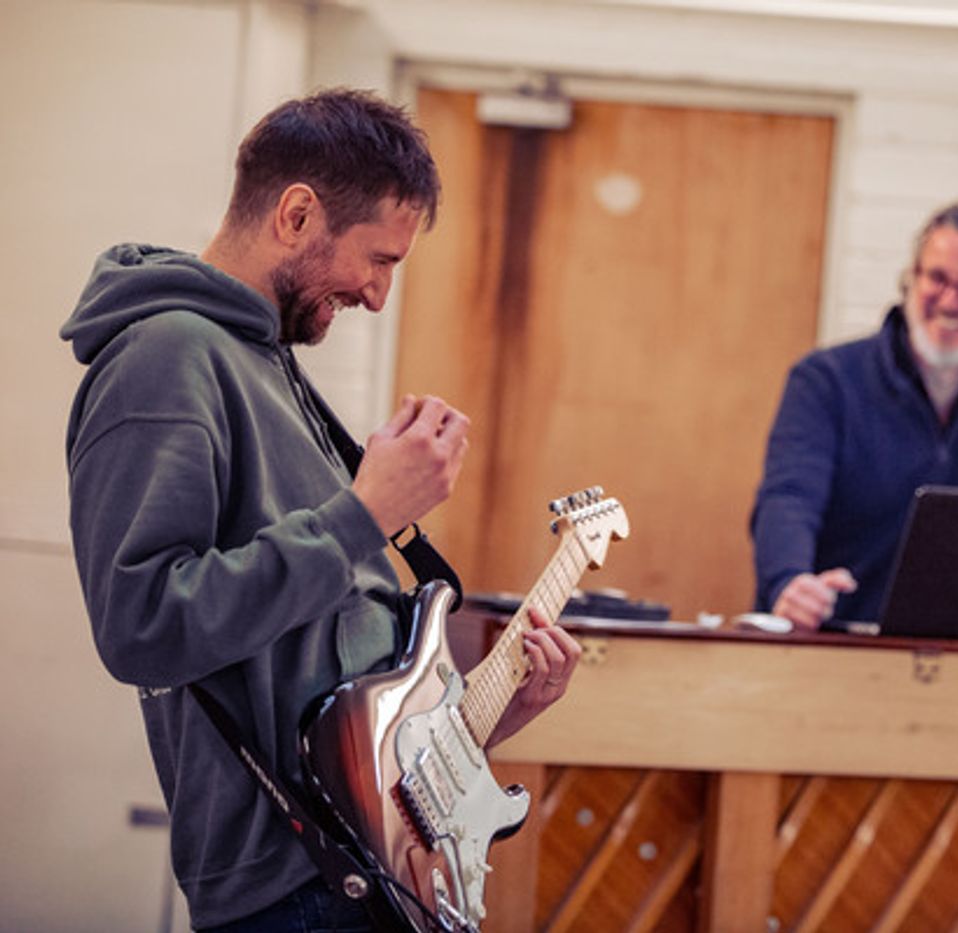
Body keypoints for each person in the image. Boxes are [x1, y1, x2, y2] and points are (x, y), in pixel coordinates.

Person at [61, 88, 580, 931]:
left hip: (368, 869)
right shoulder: (165, 356)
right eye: (378, 259)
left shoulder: (266, 359)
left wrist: (485, 715)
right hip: (293, 883)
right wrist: (363, 516)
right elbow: (142, 626)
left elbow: (328, 650)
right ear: (297, 214)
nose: (378, 295)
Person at [750, 200, 958, 630]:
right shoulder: (825, 378)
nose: (950, 301)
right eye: (937, 278)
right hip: (835, 635)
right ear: (911, 279)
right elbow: (789, 497)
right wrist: (790, 580)